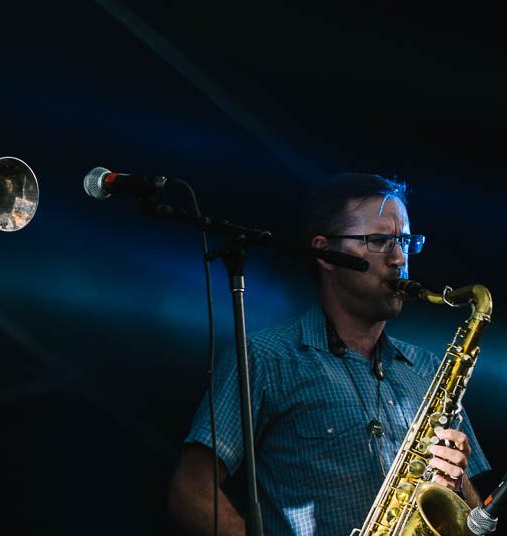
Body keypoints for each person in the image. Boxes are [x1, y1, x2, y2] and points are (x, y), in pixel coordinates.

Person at [166, 172, 490, 535]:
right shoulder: (266, 358)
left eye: (405, 241)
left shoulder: (430, 369)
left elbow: (476, 522)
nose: (399, 258)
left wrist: (462, 487)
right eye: (379, 241)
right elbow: (191, 490)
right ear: (326, 253)